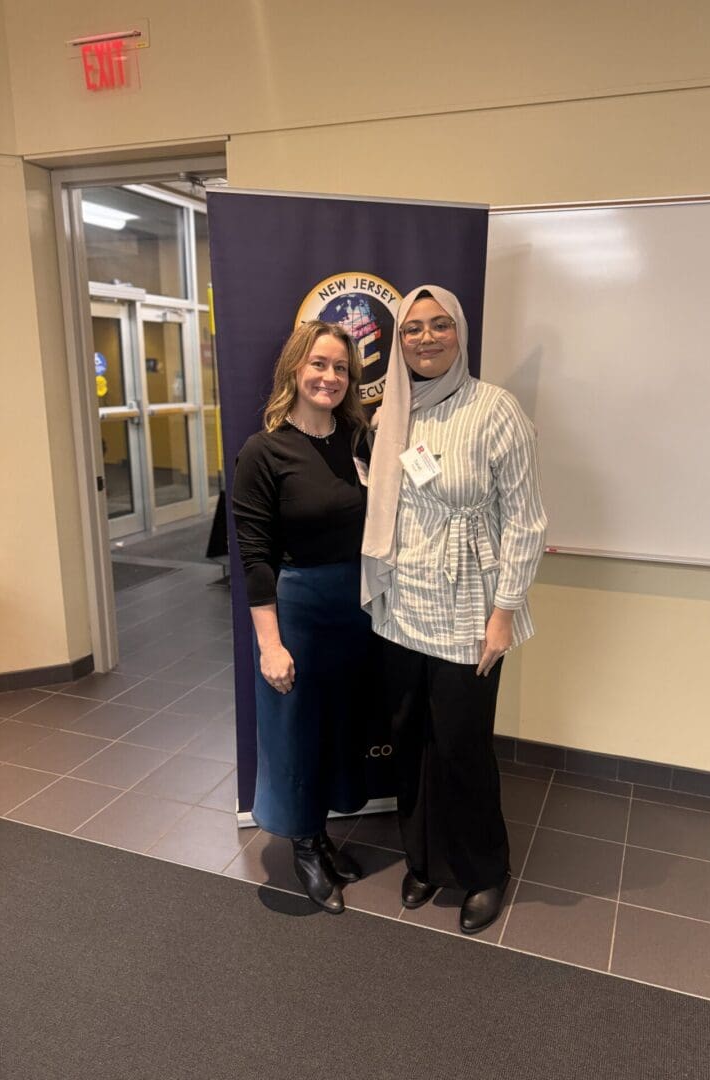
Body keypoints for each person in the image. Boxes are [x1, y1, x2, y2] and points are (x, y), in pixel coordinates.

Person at [362, 285, 546, 934]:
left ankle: (483, 870)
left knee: (462, 746)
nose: (426, 338)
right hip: (401, 604)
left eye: (440, 325)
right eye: (412, 329)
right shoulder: (393, 414)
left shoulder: (496, 408)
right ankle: (423, 860)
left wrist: (505, 612)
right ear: (399, 341)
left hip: (470, 605)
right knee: (411, 740)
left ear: (459, 333)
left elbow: (526, 521)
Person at [232, 320, 370, 914]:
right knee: (294, 732)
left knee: (336, 727)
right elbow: (255, 556)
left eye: (340, 368)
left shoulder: (359, 440)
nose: (330, 377)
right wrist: (271, 644)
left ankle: (324, 832)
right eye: (319, 364)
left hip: (354, 608)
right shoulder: (263, 451)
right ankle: (306, 846)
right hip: (296, 609)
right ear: (295, 367)